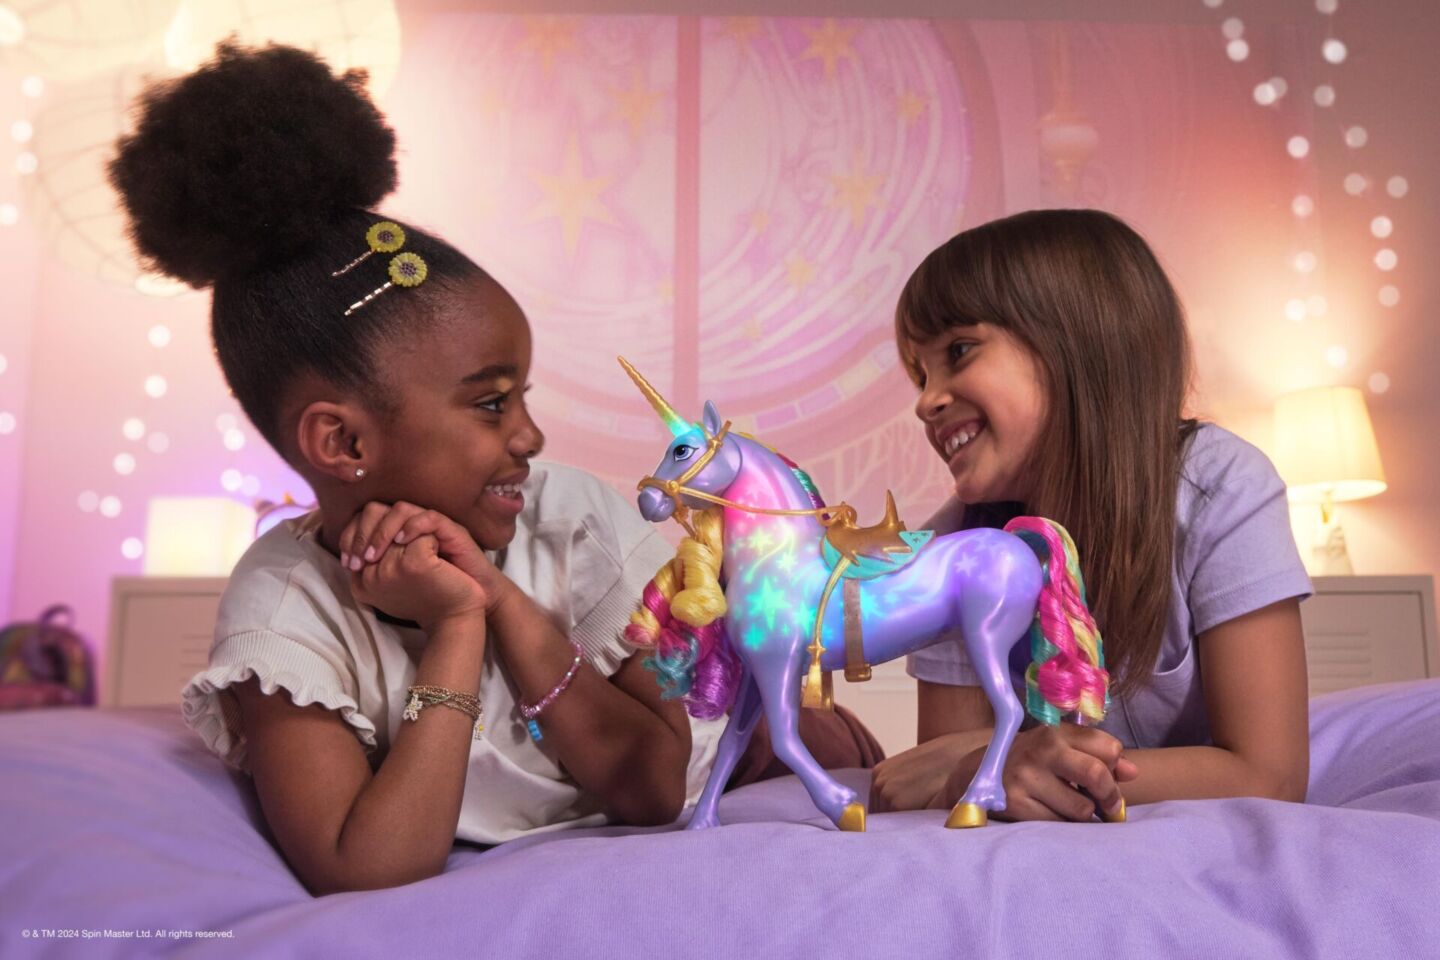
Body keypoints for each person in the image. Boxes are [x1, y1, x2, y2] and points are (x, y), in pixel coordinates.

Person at [107, 42, 879, 896]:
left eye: (523, 398)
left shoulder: (568, 518)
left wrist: (502, 598)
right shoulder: (283, 615)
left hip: (724, 754)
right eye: (489, 404)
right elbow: (371, 869)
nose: (531, 436)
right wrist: (454, 629)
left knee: (823, 741)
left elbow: (656, 787)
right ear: (343, 445)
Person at [869, 209, 1313, 823]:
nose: (925, 401)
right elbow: (941, 764)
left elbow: (1270, 774)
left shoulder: (1221, 486)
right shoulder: (957, 542)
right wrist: (986, 768)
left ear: (1077, 341)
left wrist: (1002, 764)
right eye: (921, 374)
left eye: (960, 352)